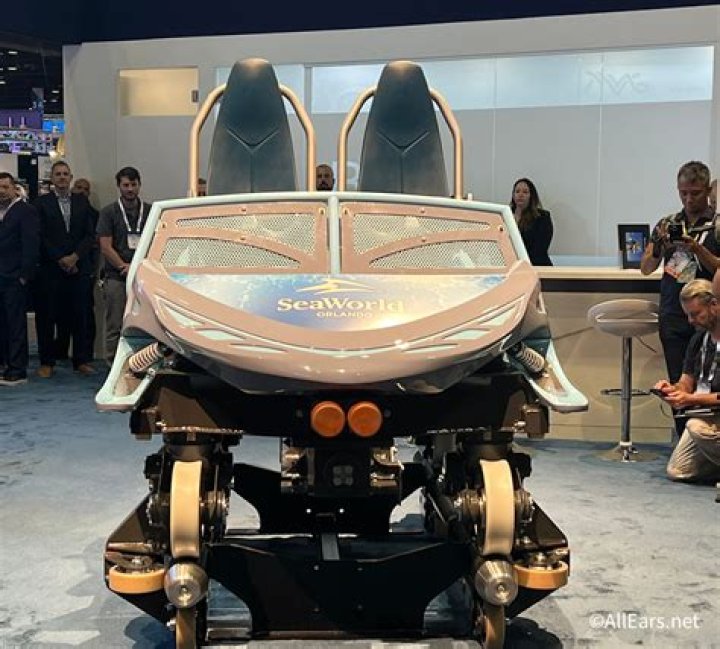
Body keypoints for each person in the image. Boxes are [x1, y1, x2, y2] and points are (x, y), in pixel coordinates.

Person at [640, 161, 720, 386]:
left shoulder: (717, 226)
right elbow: (646, 268)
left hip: (709, 314)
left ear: (708, 191)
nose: (688, 199)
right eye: (683, 193)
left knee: (708, 382)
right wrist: (659, 247)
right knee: (678, 381)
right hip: (674, 312)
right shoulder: (668, 223)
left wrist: (697, 249)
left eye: (695, 193)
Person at [33, 161, 97, 377]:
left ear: (71, 177)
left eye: (65, 174)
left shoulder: (82, 202)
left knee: (80, 315)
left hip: (78, 267)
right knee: (47, 316)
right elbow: (40, 236)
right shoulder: (41, 203)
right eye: (58, 174)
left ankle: (80, 360)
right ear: (52, 179)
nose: (62, 177)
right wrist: (60, 258)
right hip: (51, 269)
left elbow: (90, 234)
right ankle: (47, 362)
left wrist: (75, 257)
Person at [653, 279, 720, 483]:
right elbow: (686, 383)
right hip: (705, 415)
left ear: (714, 305)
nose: (691, 321)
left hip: (708, 417)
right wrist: (672, 390)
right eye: (688, 315)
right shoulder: (698, 340)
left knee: (695, 427)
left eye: (696, 314)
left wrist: (690, 399)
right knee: (678, 471)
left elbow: (692, 396)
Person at [97, 167, 152, 366]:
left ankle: (142, 362)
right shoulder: (109, 212)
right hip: (116, 276)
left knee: (145, 324)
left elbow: (155, 242)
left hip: (144, 276)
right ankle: (112, 365)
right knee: (115, 322)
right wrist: (124, 266)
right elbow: (105, 246)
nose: (130, 189)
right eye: (125, 185)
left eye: (133, 184)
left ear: (139, 185)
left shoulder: (151, 211)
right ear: (119, 186)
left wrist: (136, 267)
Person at [0, 172, 39, 386]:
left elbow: (31, 244)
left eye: (5, 187)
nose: (1, 191)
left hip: (15, 277)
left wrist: (24, 275)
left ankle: (17, 369)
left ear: (14, 188)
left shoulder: (25, 211)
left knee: (15, 324)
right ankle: (4, 364)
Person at [509, 177, 553, 266]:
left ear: (531, 196)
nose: (520, 195)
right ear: (513, 195)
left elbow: (540, 249)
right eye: (517, 191)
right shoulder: (506, 215)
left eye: (525, 192)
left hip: (536, 266)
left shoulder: (542, 217)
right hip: (511, 266)